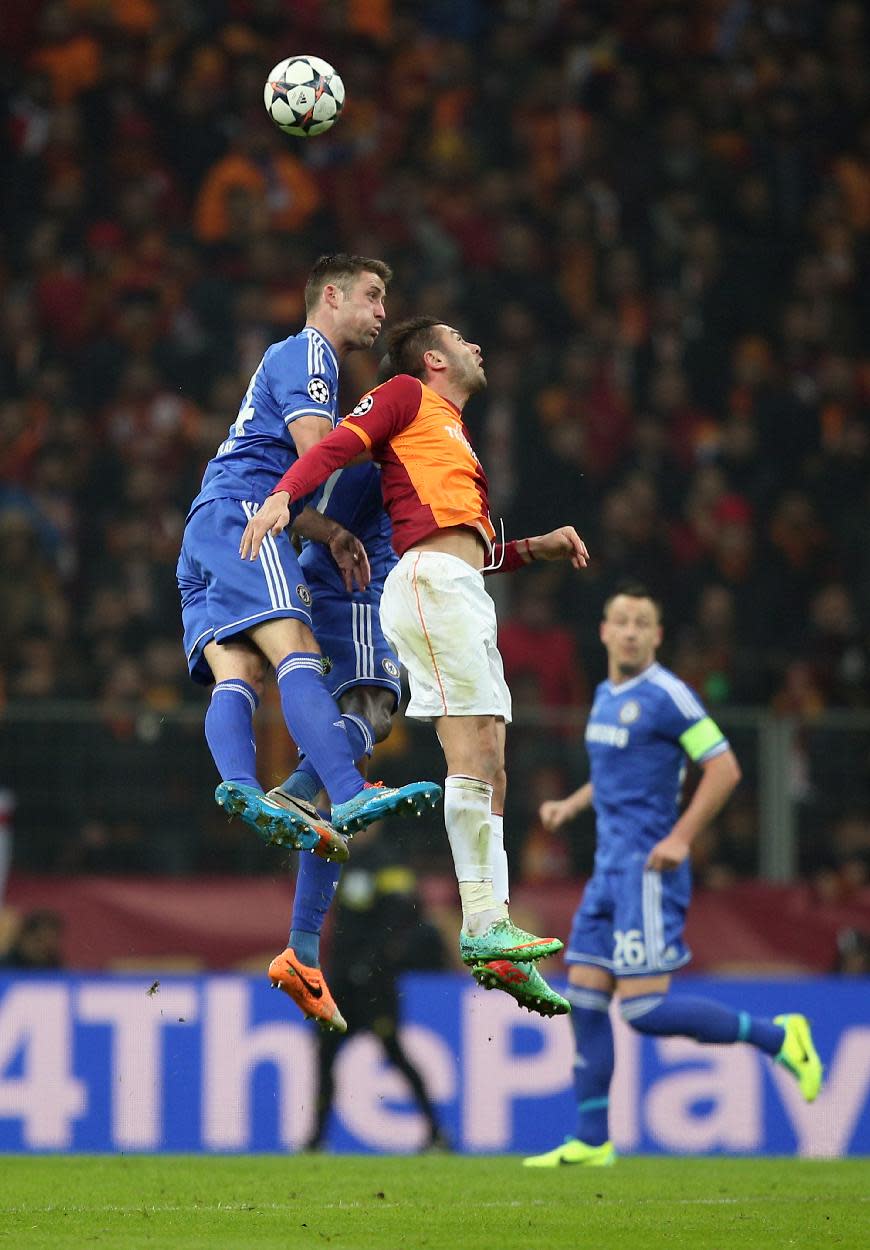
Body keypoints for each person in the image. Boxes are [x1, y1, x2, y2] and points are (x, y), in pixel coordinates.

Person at [240, 315, 592, 1018]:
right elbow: (341, 444)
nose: (478, 344)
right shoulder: (404, 393)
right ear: (433, 359)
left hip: (460, 584)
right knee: (470, 746)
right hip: (429, 585)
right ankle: (483, 924)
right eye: (465, 338)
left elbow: (471, 546)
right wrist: (286, 494)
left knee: (491, 756)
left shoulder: (454, 438)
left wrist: (537, 548)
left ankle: (493, 922)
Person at [522, 583, 824, 1168]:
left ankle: (782, 1037)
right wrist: (573, 804)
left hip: (647, 873)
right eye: (622, 621)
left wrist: (681, 838)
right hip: (607, 872)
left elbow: (724, 767)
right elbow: (619, 774)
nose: (631, 630)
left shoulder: (669, 696)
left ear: (656, 636)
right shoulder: (607, 694)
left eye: (643, 622)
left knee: (642, 1011)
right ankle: (591, 1139)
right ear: (605, 632)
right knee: (583, 1001)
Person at [176, 255, 442, 866]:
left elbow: (298, 484)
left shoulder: (290, 361)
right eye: (372, 296)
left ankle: (244, 789)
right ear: (331, 295)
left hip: (209, 525)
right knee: (296, 648)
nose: (381, 312)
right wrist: (384, 438)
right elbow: (316, 455)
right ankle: (348, 792)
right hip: (245, 513)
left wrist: (328, 531)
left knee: (238, 673)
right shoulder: (309, 354)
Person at [301, 824, 450, 1151]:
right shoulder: (340, 857)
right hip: (341, 978)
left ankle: (436, 1132)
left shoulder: (387, 862)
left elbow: (404, 917)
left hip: (375, 980)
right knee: (325, 1055)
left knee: (393, 1051)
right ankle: (315, 1139)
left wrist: (376, 961)